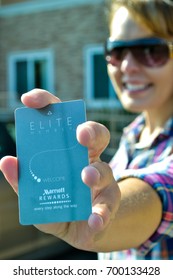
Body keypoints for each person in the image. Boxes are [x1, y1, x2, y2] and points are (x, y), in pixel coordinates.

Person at [0, 0, 173, 260]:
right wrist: (79, 200)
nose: (127, 66)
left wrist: (106, 216)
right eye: (117, 51)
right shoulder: (132, 136)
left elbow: (160, 192)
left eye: (150, 50)